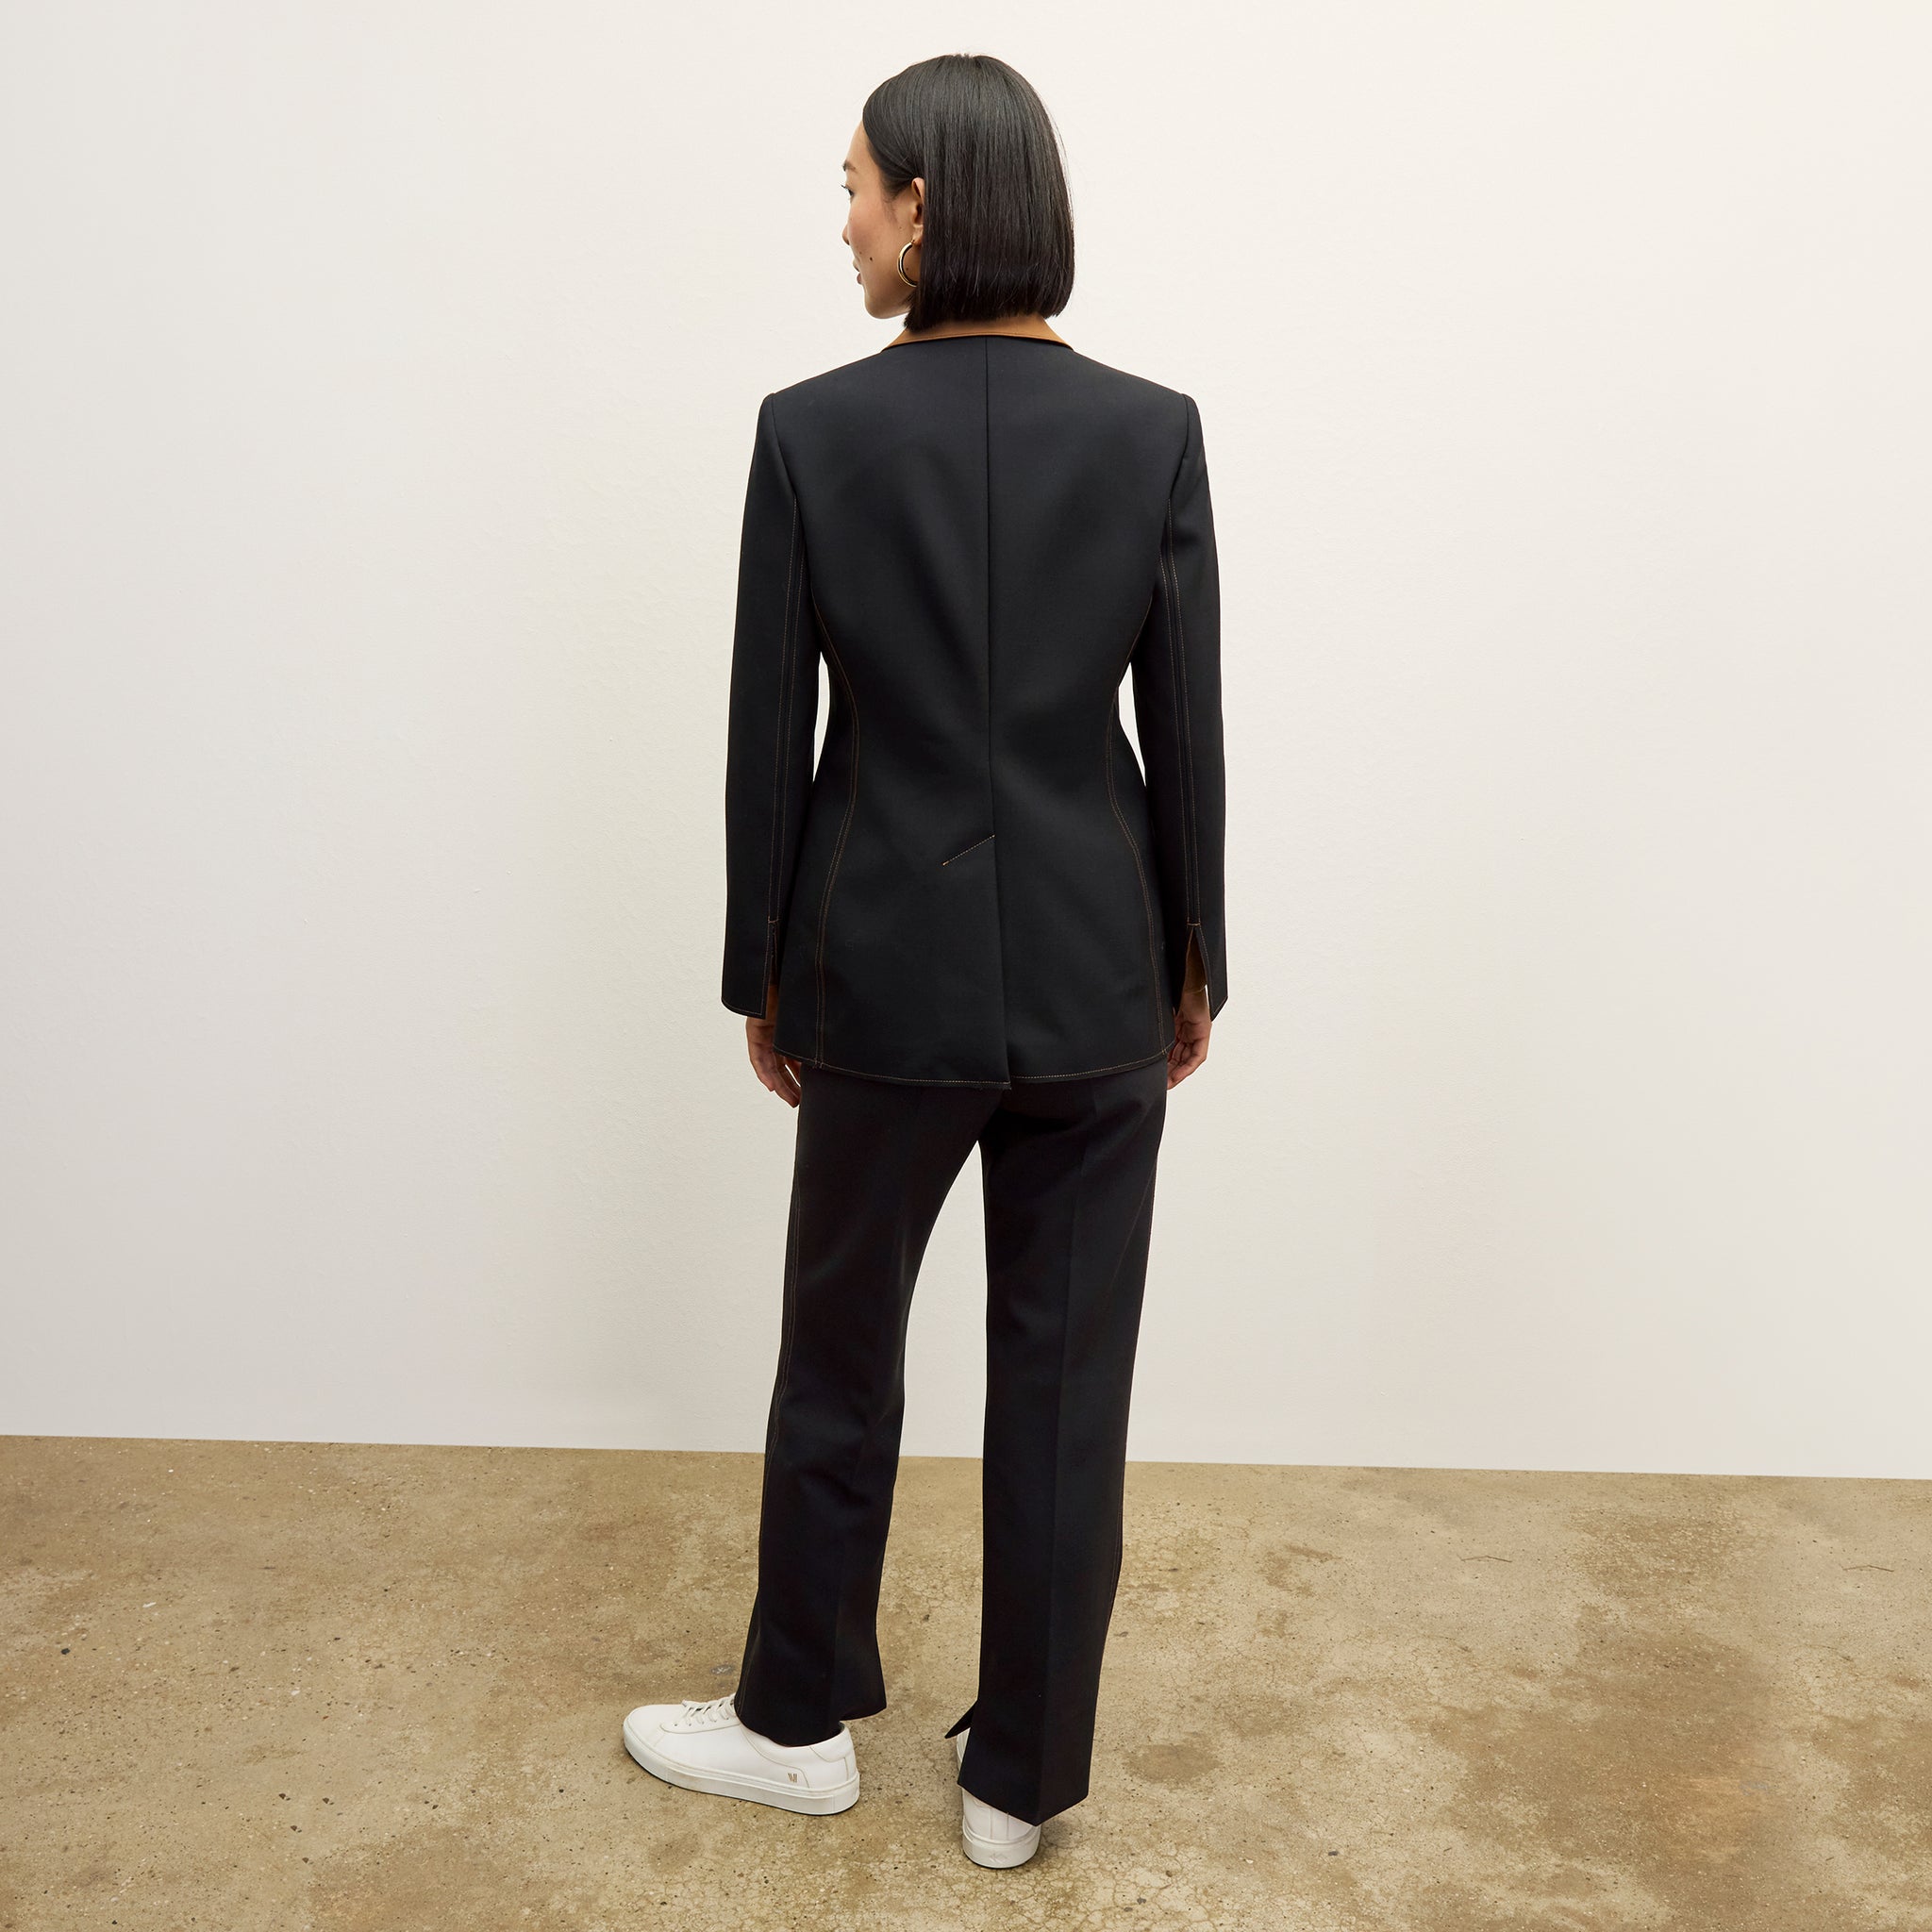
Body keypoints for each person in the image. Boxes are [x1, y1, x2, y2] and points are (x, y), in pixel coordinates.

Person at [624, 51, 1227, 1870]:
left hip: (880, 969)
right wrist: (1196, 959)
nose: (847, 221)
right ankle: (1019, 1782)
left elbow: (764, 729)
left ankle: (794, 1724)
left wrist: (763, 970)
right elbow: (1185, 727)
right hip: (1096, 971)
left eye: (860, 188)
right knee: (1067, 1381)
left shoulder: (812, 430)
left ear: (929, 208)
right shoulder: (1153, 430)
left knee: (838, 1357)